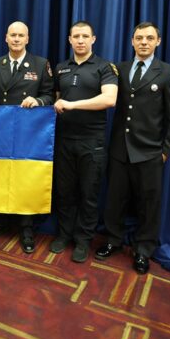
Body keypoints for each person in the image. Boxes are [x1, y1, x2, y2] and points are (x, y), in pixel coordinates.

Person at [95, 22, 170, 274]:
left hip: (150, 152)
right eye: (139, 38)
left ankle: (143, 250)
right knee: (114, 200)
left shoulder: (169, 73)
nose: (143, 42)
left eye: (149, 38)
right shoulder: (120, 69)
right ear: (132, 41)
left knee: (149, 204)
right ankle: (113, 240)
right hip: (120, 149)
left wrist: (166, 151)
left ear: (158, 42)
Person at [0, 21, 54, 252]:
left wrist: (39, 101)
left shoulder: (41, 64)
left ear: (27, 39)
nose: (16, 39)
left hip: (28, 133)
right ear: (6, 37)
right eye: (12, 35)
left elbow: (48, 95)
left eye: (20, 35)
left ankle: (26, 229)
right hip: (1, 131)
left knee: (25, 180)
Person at [51, 21, 118, 262]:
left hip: (93, 142)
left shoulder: (104, 67)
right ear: (69, 39)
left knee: (89, 194)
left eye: (85, 36)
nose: (80, 40)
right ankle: (64, 234)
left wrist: (73, 105)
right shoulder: (61, 68)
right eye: (76, 36)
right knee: (65, 192)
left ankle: (83, 240)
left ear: (93, 39)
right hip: (64, 141)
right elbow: (56, 101)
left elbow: (110, 99)